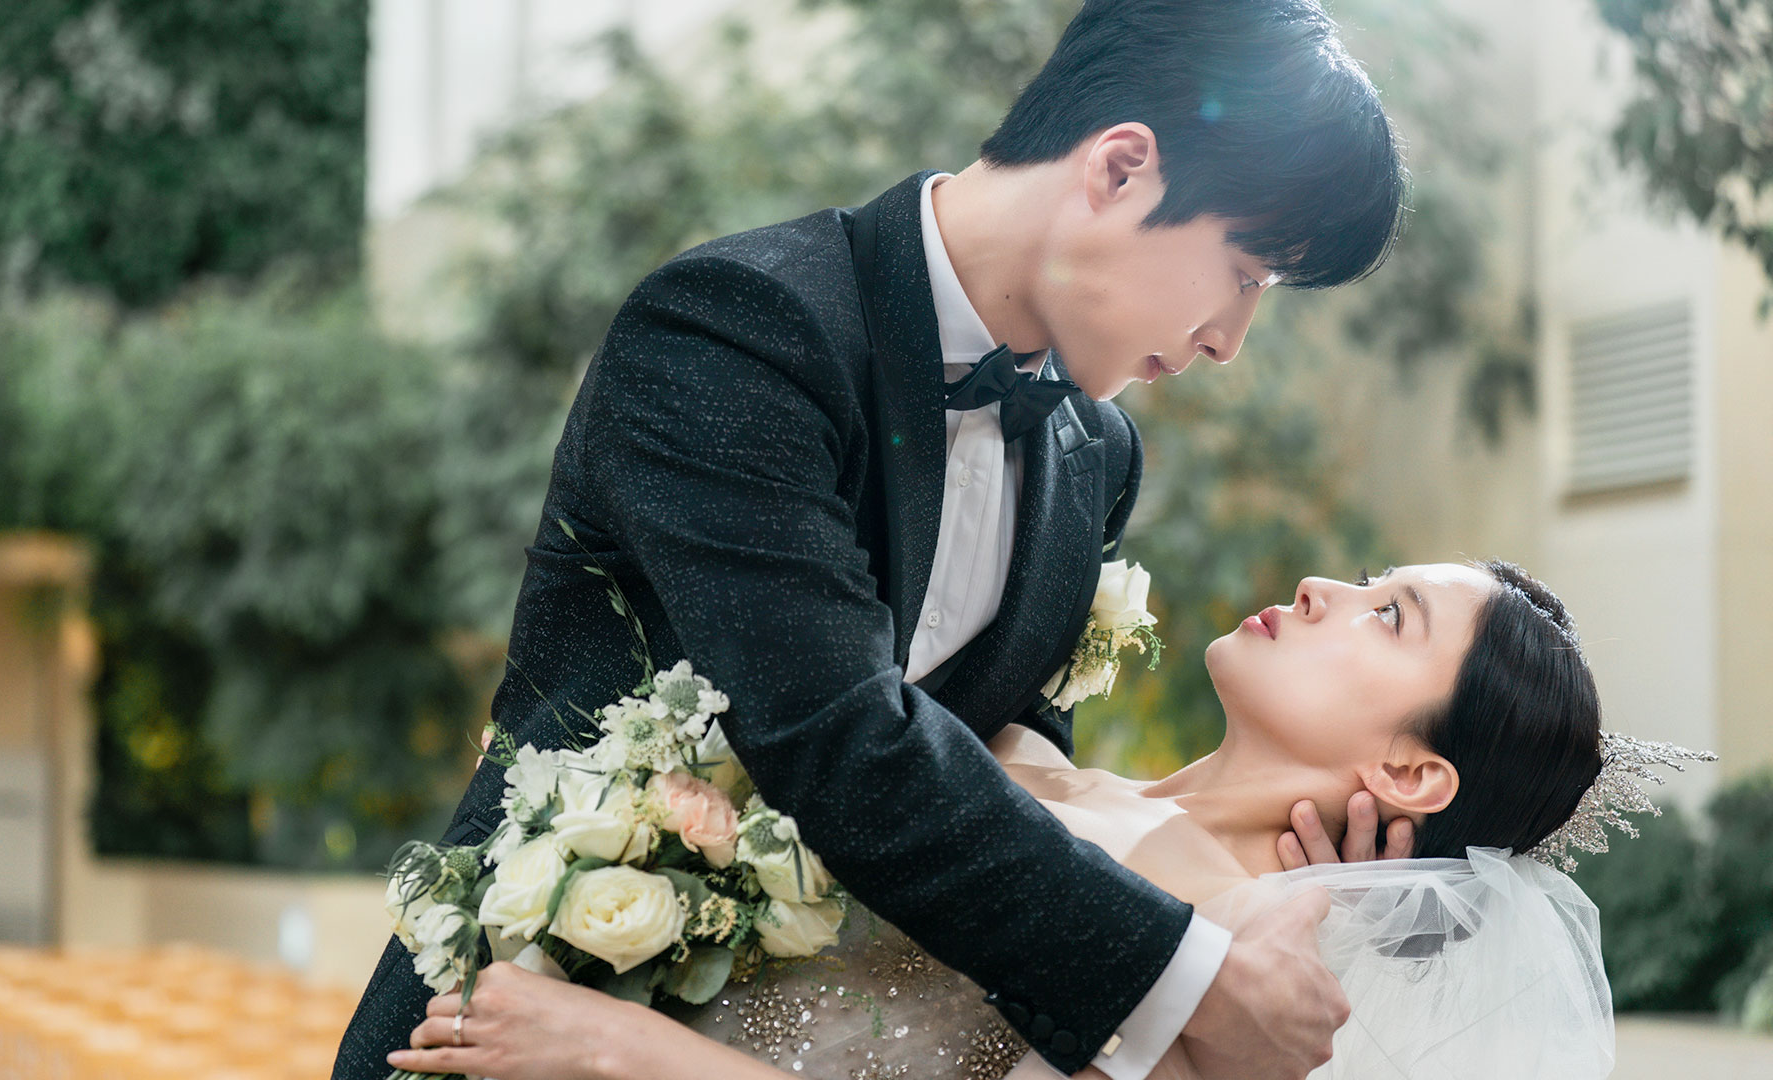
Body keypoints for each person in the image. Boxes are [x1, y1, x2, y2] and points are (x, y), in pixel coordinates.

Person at [332, 2, 1407, 1077]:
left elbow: (1011, 786)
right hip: (510, 1024)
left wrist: (1267, 841)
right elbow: (837, 739)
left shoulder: (1097, 458)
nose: (1230, 342)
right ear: (1120, 169)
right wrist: (1196, 977)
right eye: (1247, 273)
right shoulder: (738, 329)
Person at [382, 561, 1617, 1079]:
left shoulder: (1228, 970)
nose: (1321, 586)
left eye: (1389, 616)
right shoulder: (1075, 769)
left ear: (1411, 776)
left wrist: (612, 1048)